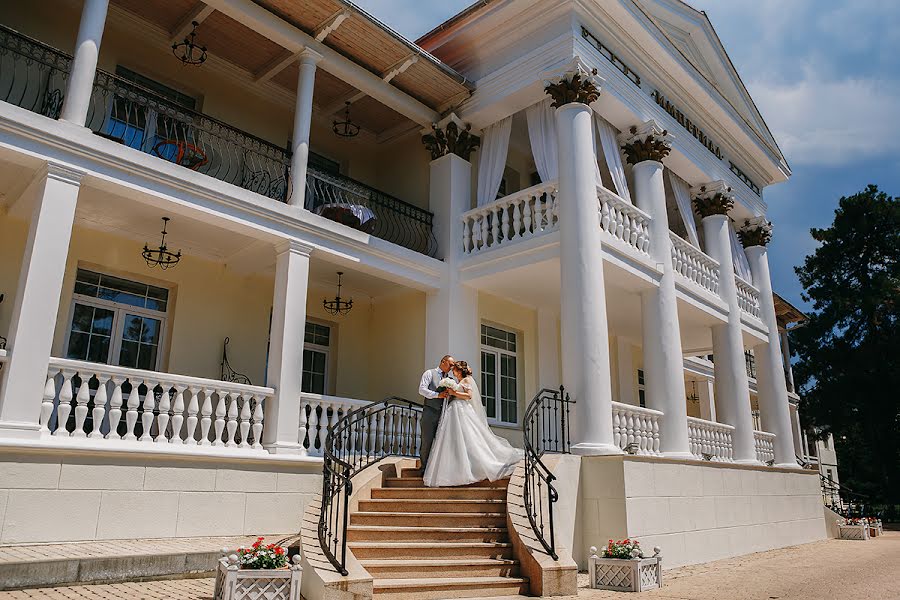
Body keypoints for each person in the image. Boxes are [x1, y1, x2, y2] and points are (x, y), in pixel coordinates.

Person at [423, 361, 524, 487]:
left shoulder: (466, 380)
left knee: (469, 438)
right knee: (454, 440)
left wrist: (454, 393)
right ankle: (456, 468)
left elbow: (469, 396)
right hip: (453, 411)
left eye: (454, 370)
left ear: (459, 371)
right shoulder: (458, 381)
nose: (452, 372)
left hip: (462, 410)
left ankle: (476, 466)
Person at [417, 354, 455, 469]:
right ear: (443, 362)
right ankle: (424, 468)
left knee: (441, 443)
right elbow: (421, 390)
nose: (452, 367)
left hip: (444, 415)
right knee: (427, 441)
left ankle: (437, 470)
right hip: (430, 412)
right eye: (451, 364)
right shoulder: (429, 373)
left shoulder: (450, 380)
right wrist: (437, 395)